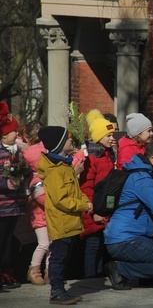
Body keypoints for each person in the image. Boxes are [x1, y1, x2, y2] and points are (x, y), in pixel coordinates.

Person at [103, 140, 153, 290]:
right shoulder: (143, 178)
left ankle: (149, 278)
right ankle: (119, 269)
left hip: (127, 237)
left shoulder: (140, 174)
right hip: (126, 240)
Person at [37, 126, 92, 304]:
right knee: (59, 257)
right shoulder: (55, 170)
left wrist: (84, 201)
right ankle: (57, 291)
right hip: (61, 222)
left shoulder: (64, 165)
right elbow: (62, 199)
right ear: (60, 144)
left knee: (64, 256)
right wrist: (83, 205)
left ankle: (59, 289)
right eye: (67, 139)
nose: (71, 141)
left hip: (69, 221)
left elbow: (73, 190)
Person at [79, 109, 116, 278]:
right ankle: (90, 277)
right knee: (93, 245)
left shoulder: (107, 155)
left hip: (103, 207)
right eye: (108, 135)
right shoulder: (92, 158)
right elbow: (86, 187)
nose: (112, 138)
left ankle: (99, 275)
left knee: (101, 244)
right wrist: (92, 212)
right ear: (99, 136)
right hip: (93, 209)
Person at [0, 103, 28, 289]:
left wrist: (23, 170)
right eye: (13, 131)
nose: (17, 134)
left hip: (15, 205)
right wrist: (6, 183)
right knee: (1, 241)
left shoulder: (17, 152)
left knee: (9, 240)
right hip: (3, 205)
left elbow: (25, 169)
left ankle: (6, 272)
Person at [22, 120, 49, 285]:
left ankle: (49, 271)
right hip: (41, 211)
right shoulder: (45, 151)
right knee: (46, 243)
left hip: (40, 211)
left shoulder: (28, 154)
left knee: (48, 243)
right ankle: (34, 269)